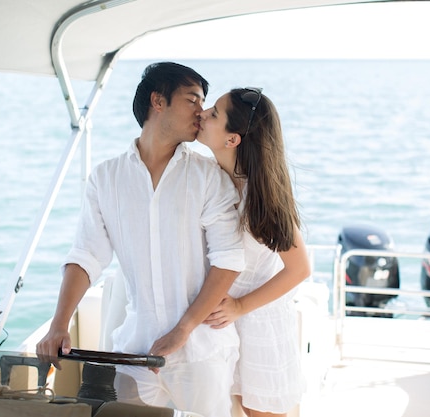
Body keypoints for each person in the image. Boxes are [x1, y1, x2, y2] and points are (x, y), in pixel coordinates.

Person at [36, 62, 245, 417]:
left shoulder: (208, 176)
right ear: (158, 101)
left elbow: (229, 259)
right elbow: (87, 256)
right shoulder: (106, 178)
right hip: (136, 349)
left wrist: (184, 329)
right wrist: (58, 325)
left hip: (202, 348)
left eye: (204, 102)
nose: (201, 111)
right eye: (192, 99)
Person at [197, 87, 311, 417]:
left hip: (256, 320)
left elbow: (299, 269)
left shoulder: (260, 198)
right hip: (217, 321)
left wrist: (239, 307)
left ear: (232, 139)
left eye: (214, 113)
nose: (203, 114)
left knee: (258, 411)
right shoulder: (206, 178)